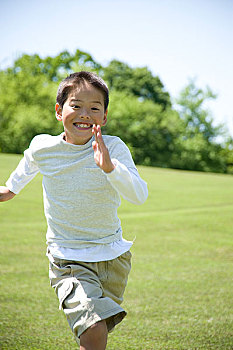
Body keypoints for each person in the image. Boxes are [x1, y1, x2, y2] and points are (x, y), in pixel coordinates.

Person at [0, 71, 148, 350]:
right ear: (59, 111)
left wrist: (110, 168)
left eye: (94, 108)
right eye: (76, 105)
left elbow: (139, 195)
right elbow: (13, 184)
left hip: (113, 259)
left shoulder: (113, 148)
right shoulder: (42, 148)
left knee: (97, 331)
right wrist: (7, 192)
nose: (85, 114)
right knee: (93, 329)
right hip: (67, 259)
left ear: (104, 117)